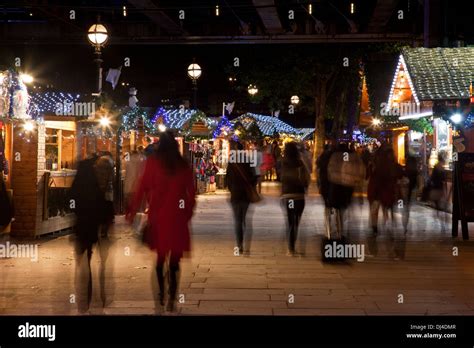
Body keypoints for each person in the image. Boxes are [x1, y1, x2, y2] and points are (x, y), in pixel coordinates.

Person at [127, 131, 195, 312]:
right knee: (174, 262)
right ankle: (173, 295)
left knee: (159, 259)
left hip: (158, 217)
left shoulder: (152, 163)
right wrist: (187, 213)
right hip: (178, 219)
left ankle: (161, 295)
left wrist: (132, 212)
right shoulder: (183, 165)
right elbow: (191, 194)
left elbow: (141, 188)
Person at [69, 152, 103, 313]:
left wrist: (76, 212)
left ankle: (80, 299)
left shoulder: (77, 186)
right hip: (91, 228)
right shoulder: (94, 186)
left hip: (80, 226)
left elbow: (70, 202)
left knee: (79, 261)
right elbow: (100, 205)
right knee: (87, 261)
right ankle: (87, 298)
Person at [226, 141, 257, 255]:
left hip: (235, 195)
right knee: (245, 219)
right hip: (246, 195)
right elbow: (254, 178)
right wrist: (251, 188)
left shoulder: (231, 162)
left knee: (237, 220)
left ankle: (239, 245)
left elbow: (227, 180)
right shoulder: (248, 161)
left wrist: (232, 189)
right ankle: (246, 247)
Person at [281, 142, 310, 256]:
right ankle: (292, 245)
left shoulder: (284, 163)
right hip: (298, 196)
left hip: (288, 196)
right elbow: (305, 179)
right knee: (296, 221)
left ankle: (290, 248)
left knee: (290, 221)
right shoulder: (300, 163)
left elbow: (281, 178)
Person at [367, 145, 402, 234]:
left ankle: (377, 226)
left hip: (378, 190)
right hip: (383, 190)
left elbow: (368, 175)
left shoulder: (376, 164)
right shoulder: (389, 165)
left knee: (377, 208)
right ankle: (383, 225)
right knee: (384, 207)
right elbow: (398, 174)